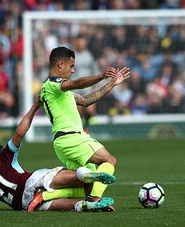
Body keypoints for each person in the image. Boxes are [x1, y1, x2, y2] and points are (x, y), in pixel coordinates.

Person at [0, 96, 116, 213]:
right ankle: (86, 175)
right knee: (78, 177)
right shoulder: (3, 157)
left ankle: (84, 205)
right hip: (32, 180)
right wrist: (34, 107)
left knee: (67, 204)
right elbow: (19, 133)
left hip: (25, 203)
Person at [38, 46, 130, 210]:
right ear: (60, 64)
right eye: (71, 66)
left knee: (86, 186)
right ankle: (96, 199)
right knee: (110, 160)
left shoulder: (57, 90)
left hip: (61, 143)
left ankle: (45, 196)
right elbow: (78, 83)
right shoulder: (53, 84)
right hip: (72, 137)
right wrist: (101, 75)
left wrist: (112, 83)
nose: (73, 71)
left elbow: (87, 100)